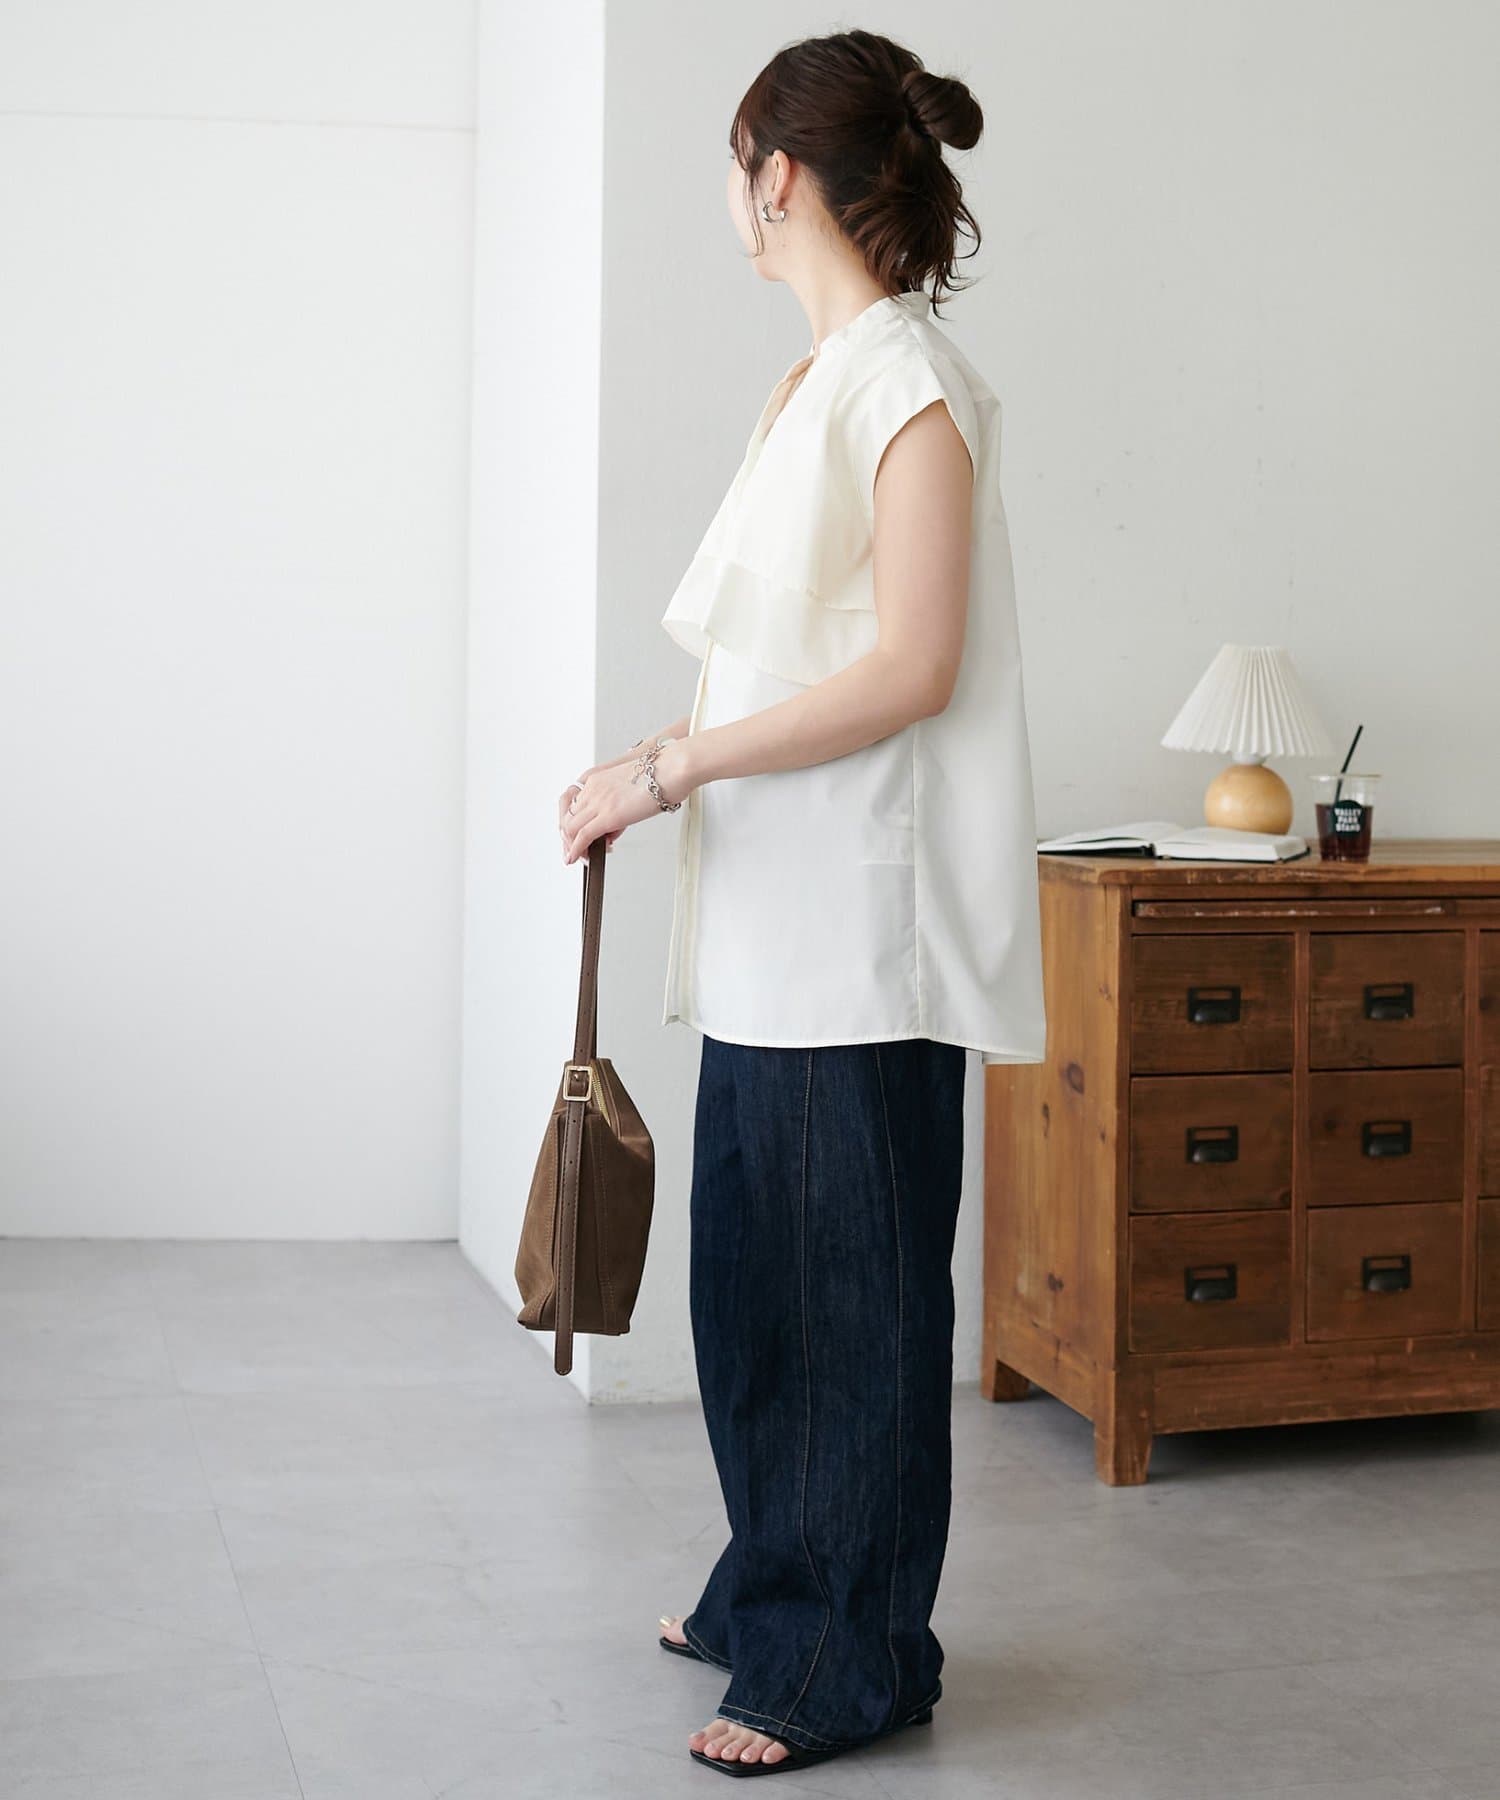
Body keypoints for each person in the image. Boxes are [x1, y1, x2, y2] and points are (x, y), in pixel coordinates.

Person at [557, 26, 1046, 1779]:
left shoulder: (907, 380)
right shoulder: (818, 380)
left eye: (736, 164)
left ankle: (847, 1659)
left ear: (778, 174)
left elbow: (913, 666)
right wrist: (655, 761)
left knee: (852, 1319)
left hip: (860, 940)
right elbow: (785, 655)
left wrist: (675, 771)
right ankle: (774, 1583)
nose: (731, 195)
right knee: (757, 1302)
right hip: (774, 930)